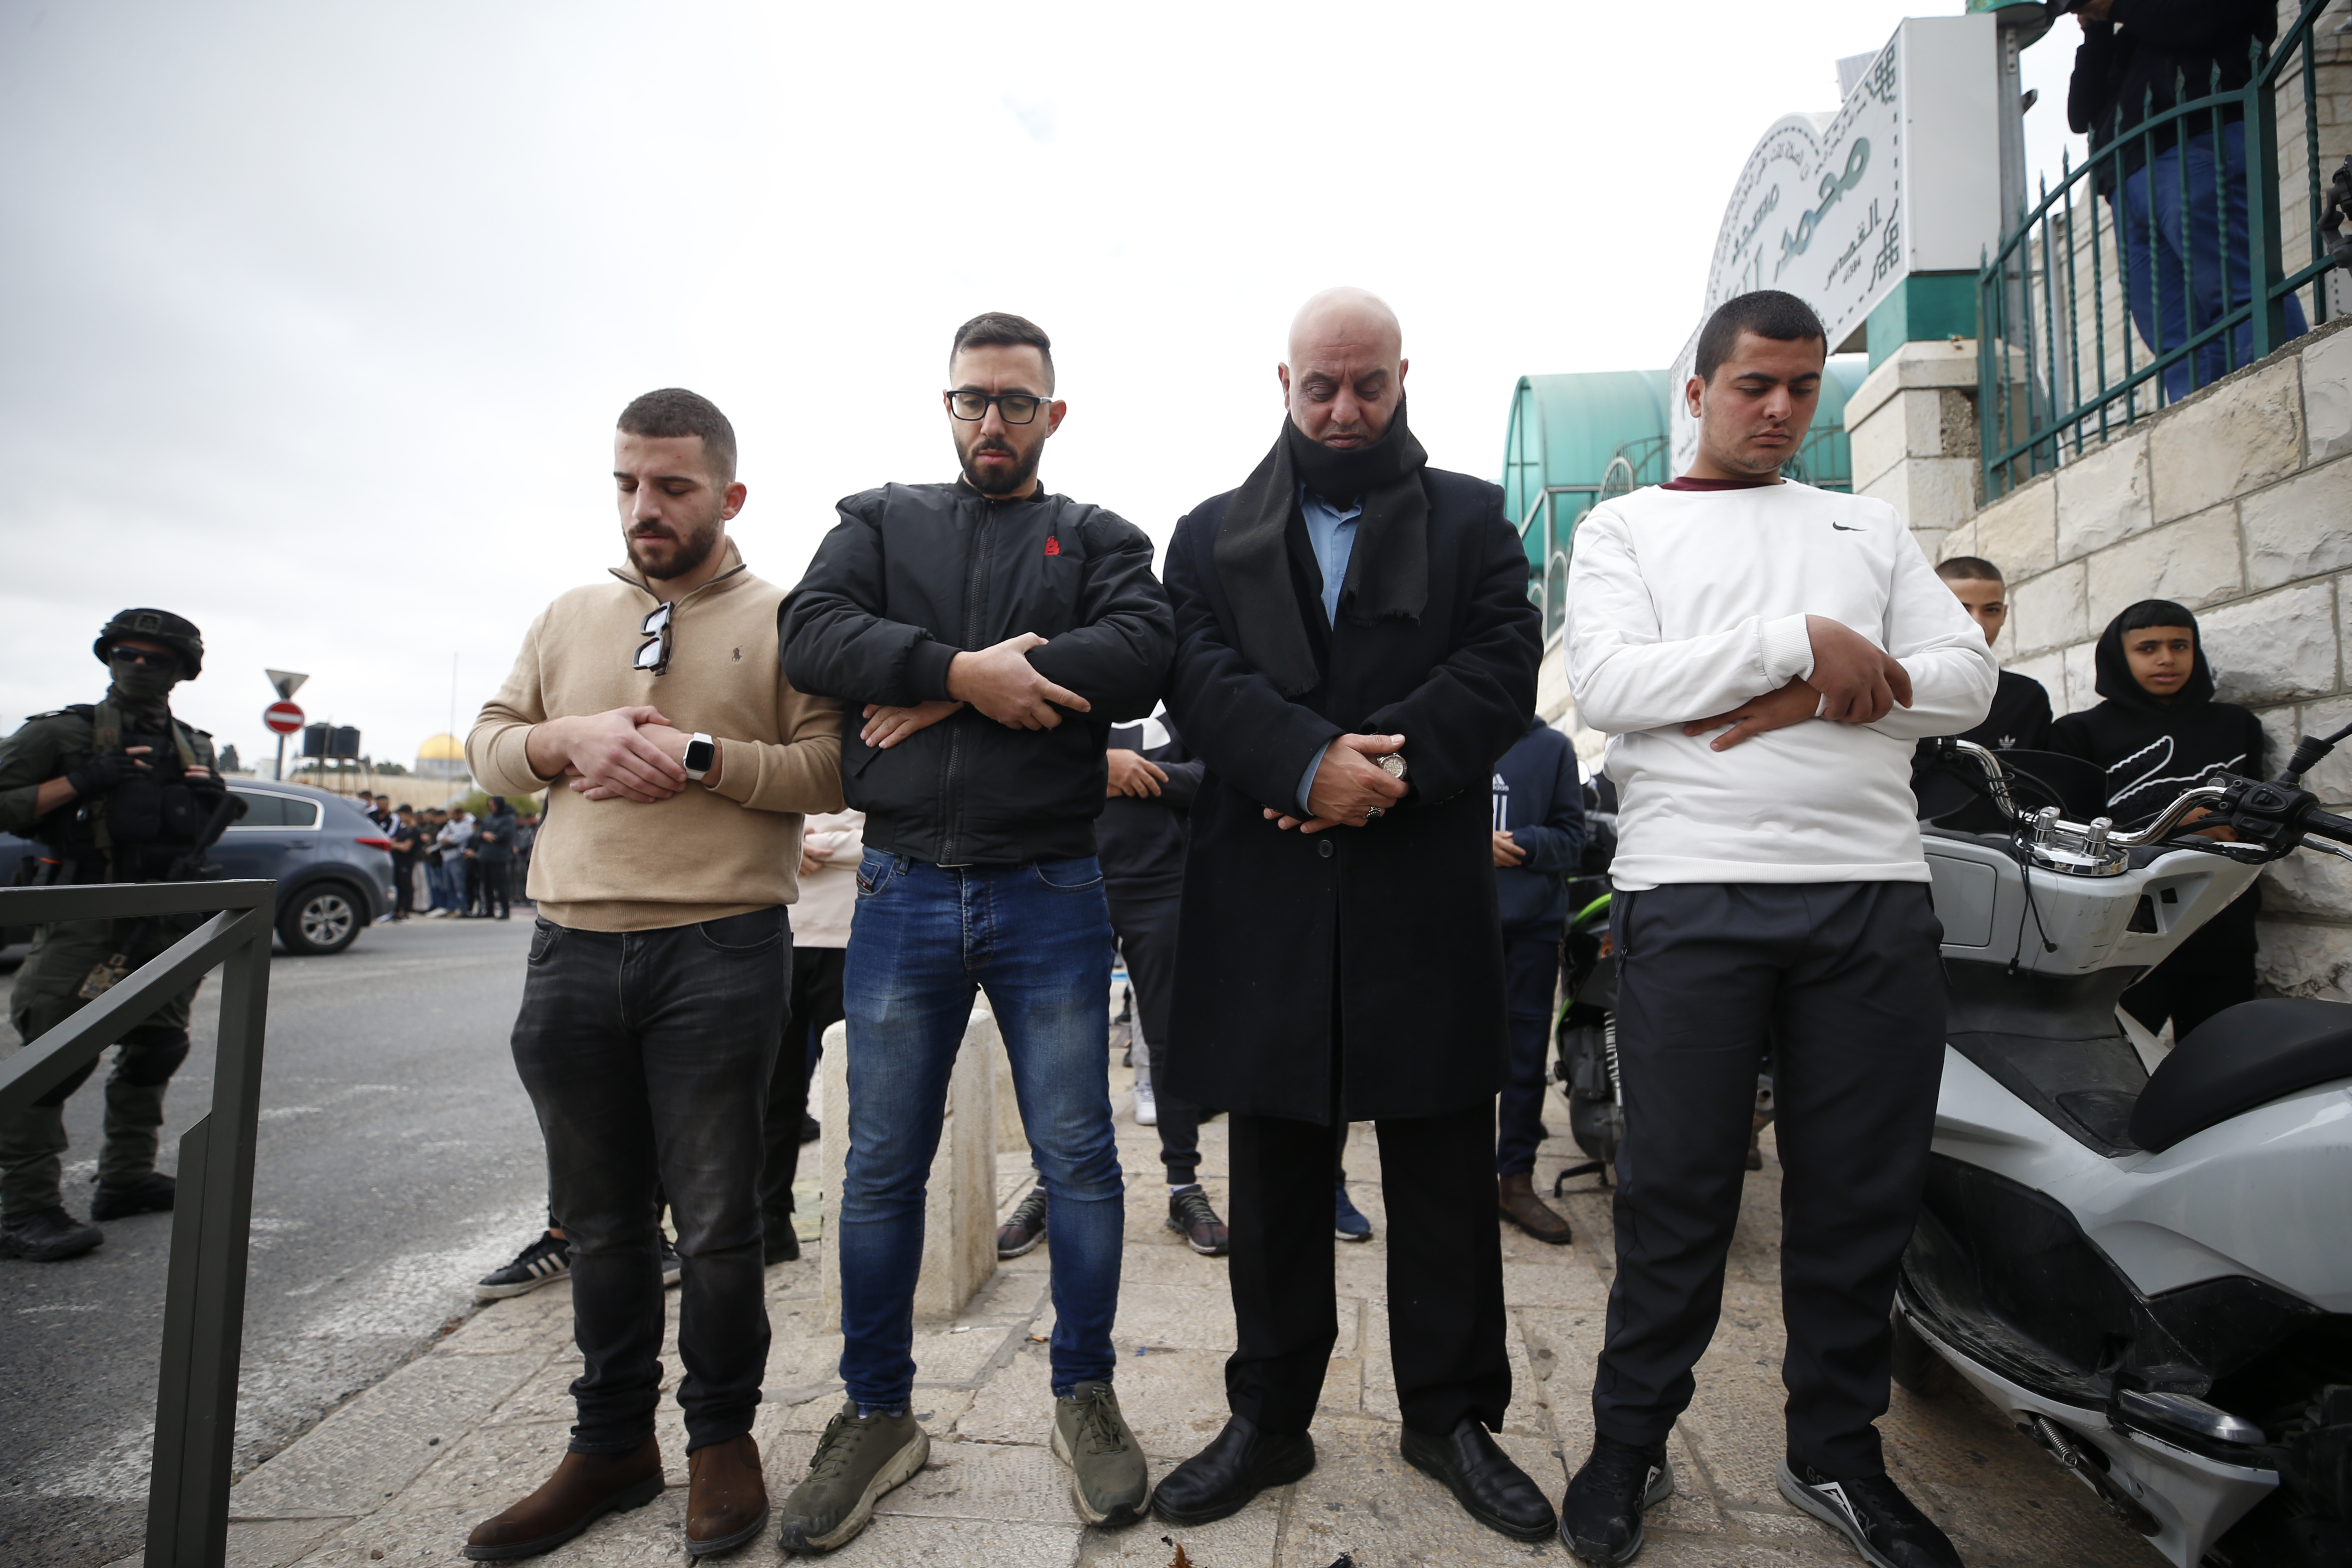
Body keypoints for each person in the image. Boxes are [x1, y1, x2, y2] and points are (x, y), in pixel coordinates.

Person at [1559, 289, 1994, 1567]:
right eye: (1754, 384)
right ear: (1697, 391)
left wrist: (1814, 693)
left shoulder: (1866, 523)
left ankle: (1836, 1453)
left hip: (1872, 891)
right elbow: (1612, 683)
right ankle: (1630, 1443)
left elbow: (1967, 681)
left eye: (1803, 386)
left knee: (1860, 1196)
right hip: (1693, 890)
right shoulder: (1626, 526)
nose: (1781, 409)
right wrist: (1797, 642)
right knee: (1676, 1189)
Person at [1151, 288, 1552, 1543]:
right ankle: (1270, 1417)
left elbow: (1502, 664)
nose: (1342, 408)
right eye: (1320, 386)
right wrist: (1302, 763)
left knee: (1441, 1164)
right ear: (1284, 384)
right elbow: (1195, 675)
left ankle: (1451, 1416)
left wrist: (1372, 773)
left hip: (1418, 885)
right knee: (1274, 1174)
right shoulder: (1208, 535)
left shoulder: (1472, 520)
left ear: (1402, 377)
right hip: (1265, 889)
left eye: (1366, 384)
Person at [779, 311, 1173, 1544]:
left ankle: (1083, 1392)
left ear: (1054, 413)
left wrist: (945, 695)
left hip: (1051, 887)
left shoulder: (1101, 536)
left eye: (1015, 400)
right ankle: (876, 1411)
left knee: (1081, 1160)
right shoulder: (880, 520)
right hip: (902, 885)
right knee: (879, 1167)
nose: (991, 420)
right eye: (971, 399)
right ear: (946, 406)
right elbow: (809, 632)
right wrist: (962, 672)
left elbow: (1142, 654)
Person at [460, 387, 843, 1562]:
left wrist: (698, 756)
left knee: (721, 1224)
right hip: (570, 949)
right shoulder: (570, 613)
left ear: (729, 495)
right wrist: (561, 741)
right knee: (601, 1225)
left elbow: (832, 769)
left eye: (673, 486)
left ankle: (722, 1441)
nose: (645, 507)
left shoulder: (788, 618)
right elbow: (488, 745)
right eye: (628, 483)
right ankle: (612, 1445)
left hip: (720, 949)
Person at [0, 610, 231, 1262]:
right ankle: (23, 1208)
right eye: (127, 654)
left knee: (157, 1048)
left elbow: (195, 829)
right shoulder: (62, 733)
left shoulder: (194, 745)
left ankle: (126, 1178)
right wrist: (83, 781)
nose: (139, 667)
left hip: (165, 917)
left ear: (182, 670)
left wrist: (211, 798)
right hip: (87, 916)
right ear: (108, 658)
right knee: (53, 1059)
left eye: (156, 658)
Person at [1002, 707, 1229, 1259]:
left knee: (1171, 1041)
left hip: (1165, 886)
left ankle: (1183, 1186)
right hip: (1067, 879)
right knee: (1059, 1044)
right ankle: (1049, 1183)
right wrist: (1102, 767)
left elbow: (1215, 778)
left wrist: (1128, 772)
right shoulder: (1065, 689)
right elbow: (1024, 768)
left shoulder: (1184, 693)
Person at [2068, 0, 2307, 401]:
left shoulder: (2160, 15)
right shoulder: (2136, 32)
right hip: (2128, 175)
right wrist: (2096, 29)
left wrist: (2116, 7)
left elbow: (2202, 22)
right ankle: (2207, 422)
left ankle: (2286, 401)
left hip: (2196, 140)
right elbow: (2081, 114)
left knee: (2239, 294)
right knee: (2174, 337)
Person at [2049, 599, 2265, 1040]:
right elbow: (2072, 832)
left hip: (2223, 922)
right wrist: (2179, 823)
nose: (2167, 659)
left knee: (2222, 1052)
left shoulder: (2237, 725)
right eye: (2147, 648)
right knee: (2119, 1052)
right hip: (2129, 926)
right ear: (2119, 656)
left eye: (2179, 646)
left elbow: (2260, 819)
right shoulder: (2078, 733)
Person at [1490, 716, 1585, 1246]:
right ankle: (1454, 1178)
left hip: (1531, 930)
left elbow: (1573, 839)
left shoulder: (1553, 748)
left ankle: (1516, 1180)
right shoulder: (1450, 732)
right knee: (1448, 1058)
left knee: (1524, 1061)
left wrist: (1520, 843)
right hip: (1454, 926)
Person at [757, 806, 862, 1266]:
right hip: (775, 933)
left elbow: (895, 834)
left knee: (860, 1095)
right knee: (772, 1096)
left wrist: (795, 844)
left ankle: (853, 1221)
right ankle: (771, 1223)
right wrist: (786, 845)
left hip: (855, 935)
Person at [475, 797, 518, 921]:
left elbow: (506, 835)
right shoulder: (489, 817)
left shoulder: (508, 818)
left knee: (501, 885)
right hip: (486, 855)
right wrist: (484, 835)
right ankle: (489, 910)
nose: (491, 807)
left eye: (493, 805)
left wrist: (494, 836)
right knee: (486, 885)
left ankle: (505, 910)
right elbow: (479, 832)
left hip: (499, 857)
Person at [387, 805, 425, 921]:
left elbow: (406, 847)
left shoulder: (415, 830)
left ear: (408, 815)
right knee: (397, 885)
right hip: (397, 861)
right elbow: (391, 841)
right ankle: (397, 910)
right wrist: (396, 845)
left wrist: (395, 845)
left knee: (406, 886)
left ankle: (406, 910)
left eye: (402, 815)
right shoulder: (401, 829)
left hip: (407, 862)